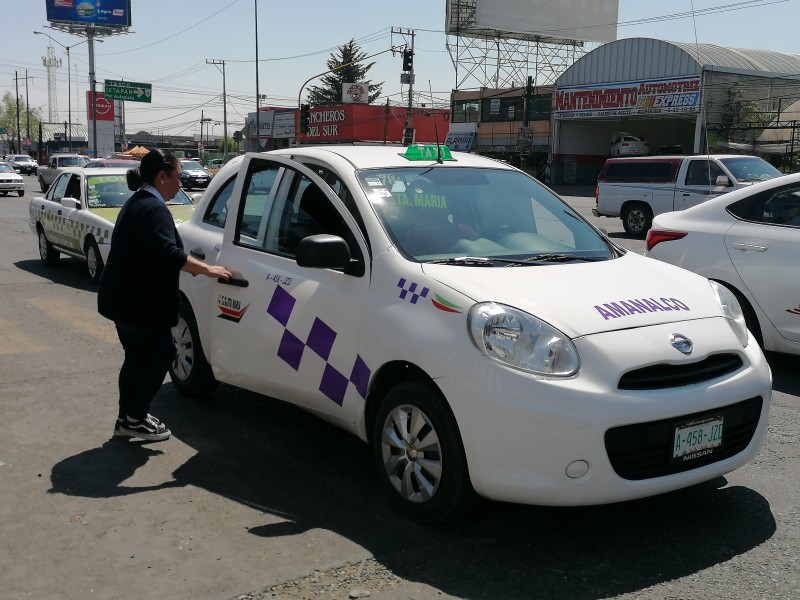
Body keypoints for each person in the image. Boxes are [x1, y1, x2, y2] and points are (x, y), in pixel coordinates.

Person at [98, 149, 231, 442]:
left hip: (123, 302)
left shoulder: (137, 203)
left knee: (135, 359)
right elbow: (168, 254)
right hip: (139, 306)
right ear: (161, 177)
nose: (180, 185)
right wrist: (208, 270)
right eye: (178, 177)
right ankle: (134, 417)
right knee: (161, 354)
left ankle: (127, 418)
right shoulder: (153, 209)